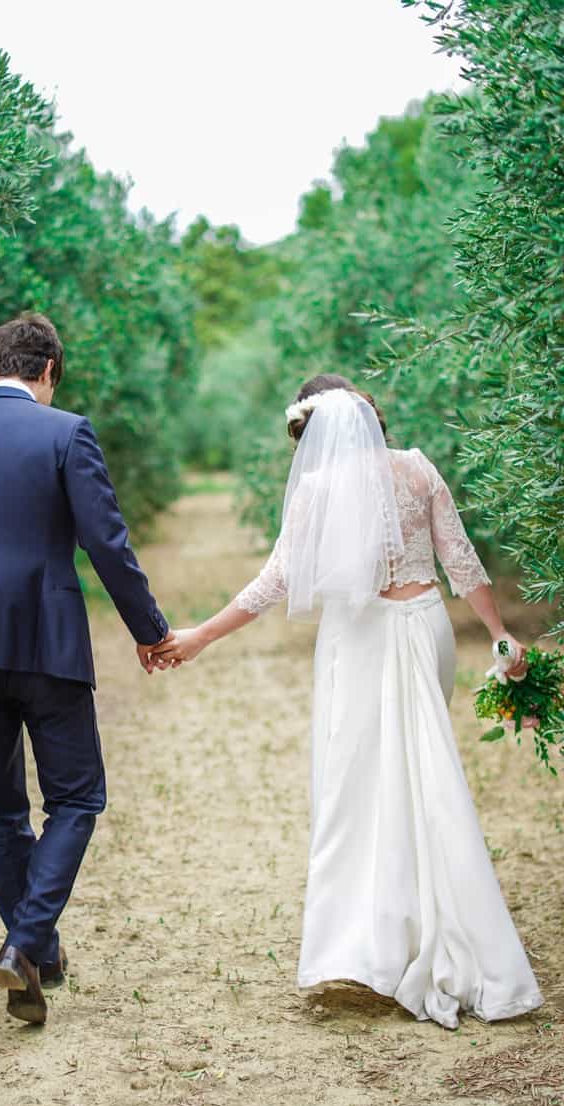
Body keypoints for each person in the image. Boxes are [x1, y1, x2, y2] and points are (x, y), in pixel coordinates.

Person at [154, 373, 543, 1029]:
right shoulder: (419, 470)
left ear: (310, 431)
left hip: (359, 646)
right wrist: (501, 634)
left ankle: (371, 948)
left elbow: (274, 581)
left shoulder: (316, 489)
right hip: (425, 629)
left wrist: (200, 637)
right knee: (427, 782)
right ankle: (438, 939)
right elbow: (462, 560)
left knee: (357, 793)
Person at [0, 314, 172, 1025]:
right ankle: (23, 946)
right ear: (49, 371)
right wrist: (150, 630)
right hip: (47, 642)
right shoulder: (65, 431)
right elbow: (107, 543)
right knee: (77, 799)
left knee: (0, 806)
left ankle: (36, 952)